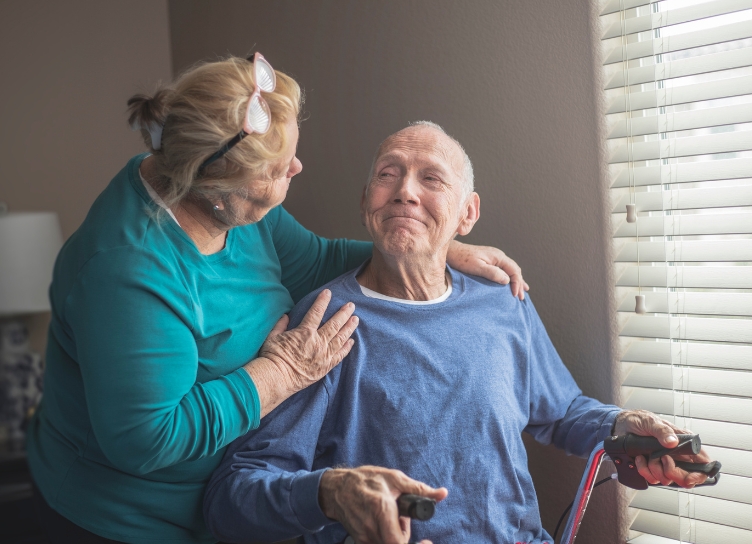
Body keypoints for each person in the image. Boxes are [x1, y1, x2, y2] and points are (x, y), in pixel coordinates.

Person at [25, 55, 529, 544]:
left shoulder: (222, 199)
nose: (296, 166)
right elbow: (150, 437)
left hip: (220, 505)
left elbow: (316, 259)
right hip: (123, 521)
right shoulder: (126, 270)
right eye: (276, 168)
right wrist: (280, 374)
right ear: (216, 185)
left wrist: (437, 247)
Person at [204, 122, 712, 544]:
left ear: (467, 214)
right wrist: (330, 492)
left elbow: (561, 411)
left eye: (431, 179)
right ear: (366, 201)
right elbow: (233, 497)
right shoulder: (324, 326)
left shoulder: (502, 303)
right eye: (389, 174)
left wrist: (627, 428)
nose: (405, 191)